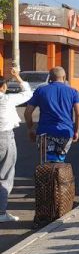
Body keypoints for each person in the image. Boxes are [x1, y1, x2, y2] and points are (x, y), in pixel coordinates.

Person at [24, 66, 79, 163]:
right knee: (59, 163)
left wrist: (31, 129)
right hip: (65, 133)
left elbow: (27, 113)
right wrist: (76, 131)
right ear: (64, 78)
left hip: (44, 133)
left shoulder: (40, 91)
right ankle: (58, 176)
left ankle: (47, 177)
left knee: (46, 164)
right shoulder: (73, 92)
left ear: (50, 78)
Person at [0, 69, 34, 221]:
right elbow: (28, 93)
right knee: (5, 175)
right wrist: (18, 77)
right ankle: (1, 213)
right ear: (3, 87)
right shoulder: (7, 99)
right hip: (4, 137)